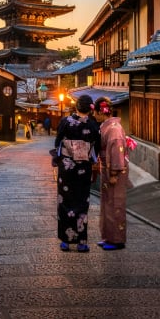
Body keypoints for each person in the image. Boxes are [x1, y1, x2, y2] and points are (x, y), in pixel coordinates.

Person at [53, 95, 100, 252]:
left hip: (66, 168)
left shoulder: (65, 122)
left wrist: (58, 159)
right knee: (81, 202)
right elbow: (96, 147)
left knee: (65, 201)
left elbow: (58, 142)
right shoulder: (93, 125)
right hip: (83, 168)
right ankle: (82, 242)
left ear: (76, 107)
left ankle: (65, 241)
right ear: (90, 109)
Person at [93, 96, 129, 251]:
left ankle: (117, 240)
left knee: (115, 204)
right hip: (107, 168)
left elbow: (116, 151)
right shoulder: (107, 126)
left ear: (101, 112)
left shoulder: (113, 129)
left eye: (95, 112)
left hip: (115, 170)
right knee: (107, 203)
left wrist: (114, 172)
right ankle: (107, 236)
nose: (93, 115)